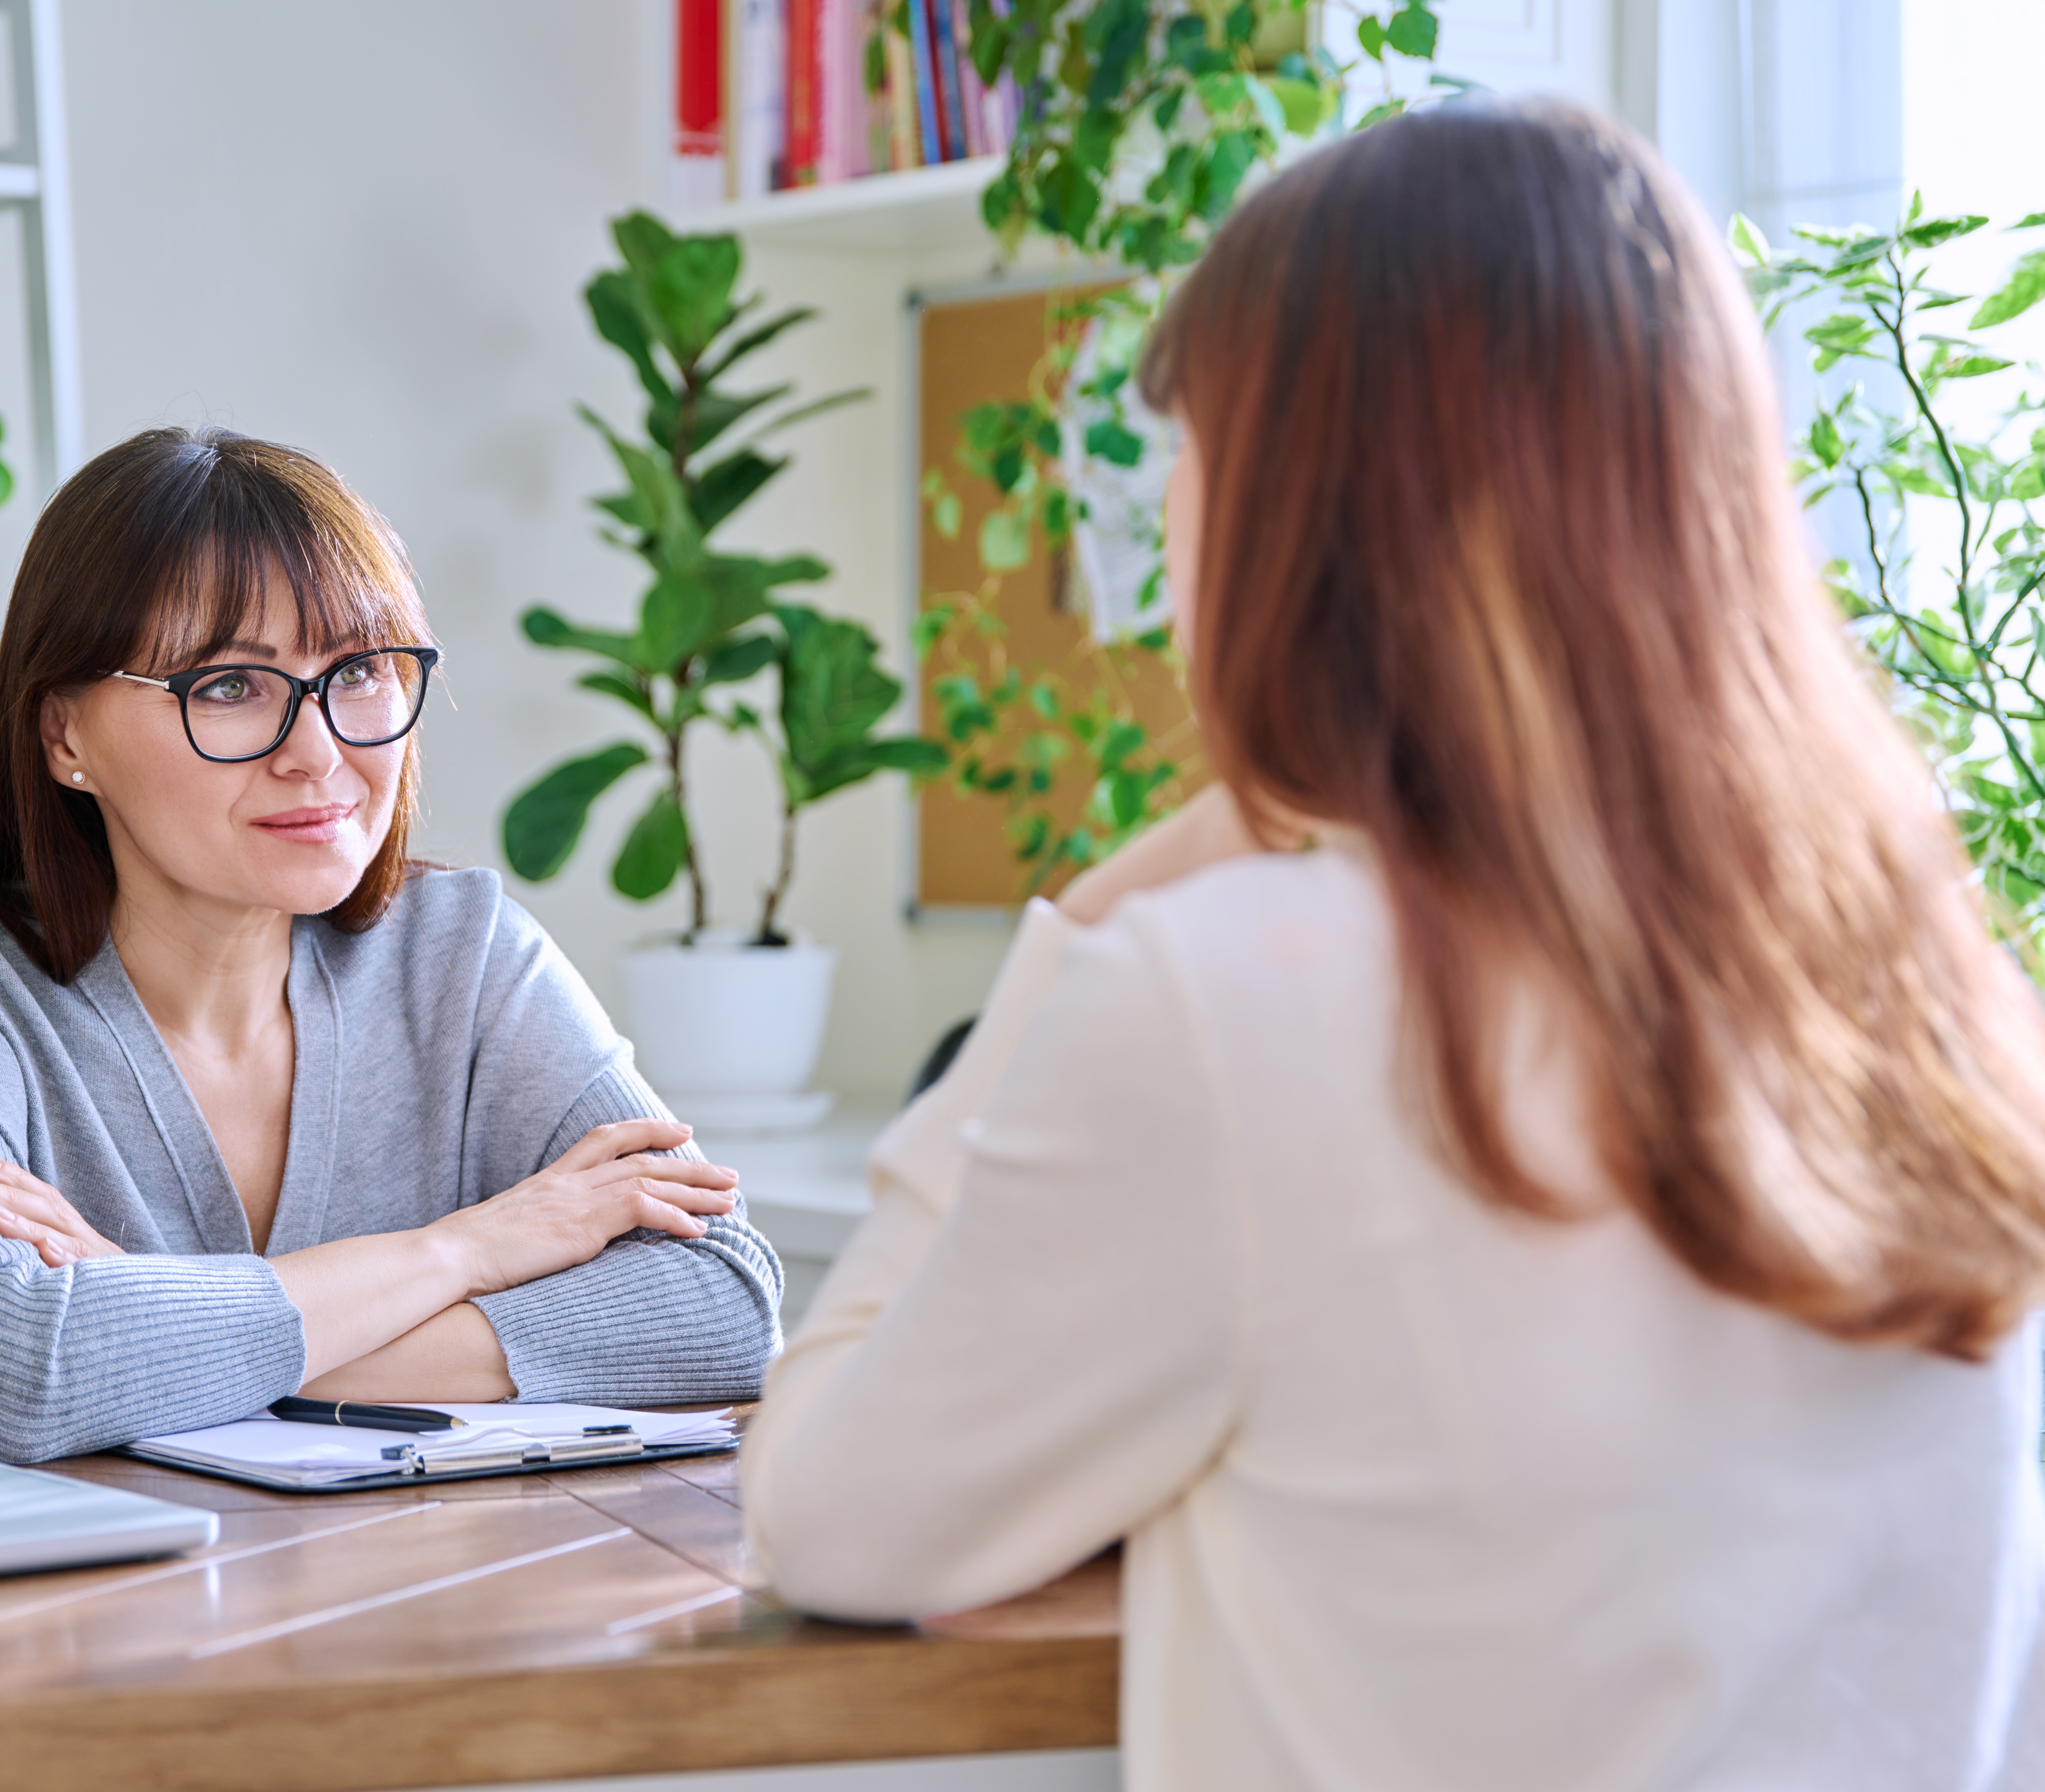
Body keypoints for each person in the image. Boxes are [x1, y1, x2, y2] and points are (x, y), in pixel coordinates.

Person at [741, 101, 2045, 1791]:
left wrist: (1099, 917)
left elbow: (831, 1517)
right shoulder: (1935, 1002)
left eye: (1195, 455)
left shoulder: (1228, 997)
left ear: (1308, 514)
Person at [0, 429, 782, 1463]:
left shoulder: (465, 956)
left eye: (358, 672)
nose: (320, 752)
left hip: (390, 1601)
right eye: (226, 686)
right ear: (65, 737)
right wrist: (458, 1252)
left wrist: (147, 1315)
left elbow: (725, 1304)